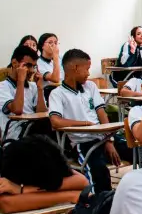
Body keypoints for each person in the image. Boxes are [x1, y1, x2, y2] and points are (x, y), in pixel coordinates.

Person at [48, 49, 121, 193]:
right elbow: (55, 122)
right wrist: (85, 124)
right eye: (87, 69)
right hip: (83, 143)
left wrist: (109, 140)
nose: (89, 73)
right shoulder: (57, 94)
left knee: (135, 150)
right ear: (75, 68)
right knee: (99, 170)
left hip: (102, 138)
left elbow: (101, 114)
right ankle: (101, 204)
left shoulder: (91, 86)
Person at [0, 46, 46, 143]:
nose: (32, 71)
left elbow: (42, 113)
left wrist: (40, 88)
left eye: (34, 66)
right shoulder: (3, 87)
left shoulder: (33, 86)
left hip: (34, 129)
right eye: (27, 65)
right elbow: (17, 110)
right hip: (15, 134)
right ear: (14, 63)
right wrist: (20, 81)